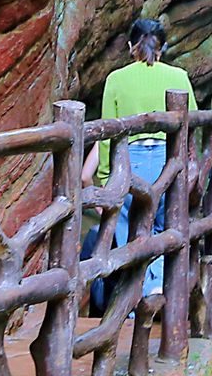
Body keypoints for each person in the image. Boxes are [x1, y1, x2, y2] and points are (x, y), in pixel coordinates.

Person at [83, 16, 196, 307]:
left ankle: (131, 300)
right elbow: (190, 124)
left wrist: (108, 176)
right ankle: (156, 289)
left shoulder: (116, 80)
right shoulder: (178, 77)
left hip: (129, 161)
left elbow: (108, 130)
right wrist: (187, 166)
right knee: (159, 225)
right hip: (165, 159)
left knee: (127, 231)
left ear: (131, 45)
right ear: (163, 46)